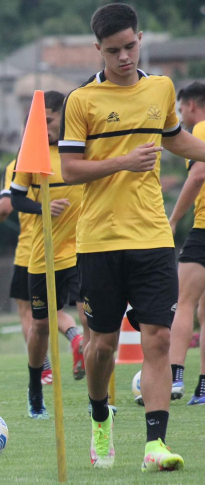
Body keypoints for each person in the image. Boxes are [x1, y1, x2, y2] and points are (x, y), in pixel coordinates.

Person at [59, 3, 205, 471]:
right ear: (98, 49)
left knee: (158, 337)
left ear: (140, 39)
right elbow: (69, 169)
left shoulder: (160, 89)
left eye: (130, 46)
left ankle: (155, 445)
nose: (124, 57)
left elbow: (176, 139)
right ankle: (101, 417)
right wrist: (123, 161)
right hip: (99, 240)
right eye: (113, 50)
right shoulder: (81, 101)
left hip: (152, 236)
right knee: (101, 344)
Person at [10, 90, 88, 419]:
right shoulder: (31, 155)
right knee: (40, 326)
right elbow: (16, 199)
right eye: (38, 124)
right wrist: (43, 206)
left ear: (63, 118)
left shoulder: (81, 150)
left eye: (50, 122)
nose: (43, 129)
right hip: (44, 257)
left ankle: (98, 399)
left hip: (83, 251)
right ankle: (34, 389)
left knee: (94, 321)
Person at [168, 81, 205, 405]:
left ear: (192, 106)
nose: (181, 118)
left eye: (181, 111)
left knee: (185, 302)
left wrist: (174, 219)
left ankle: (175, 377)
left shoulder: (201, 130)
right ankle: (204, 388)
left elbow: (197, 176)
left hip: (203, 230)